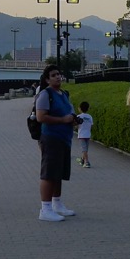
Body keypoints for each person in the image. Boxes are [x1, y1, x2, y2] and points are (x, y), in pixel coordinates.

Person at [36, 65, 81, 221]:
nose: (57, 77)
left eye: (59, 74)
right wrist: (62, 120)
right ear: (47, 79)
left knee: (59, 172)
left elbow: (69, 113)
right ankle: (45, 209)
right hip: (51, 137)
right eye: (53, 75)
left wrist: (73, 120)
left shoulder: (64, 94)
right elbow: (40, 117)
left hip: (64, 138)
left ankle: (57, 203)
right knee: (49, 173)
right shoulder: (45, 94)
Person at [75, 101, 94, 168]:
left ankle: (87, 162)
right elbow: (91, 125)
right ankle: (82, 160)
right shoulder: (90, 116)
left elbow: (76, 125)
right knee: (85, 149)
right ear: (88, 108)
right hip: (88, 135)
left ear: (80, 108)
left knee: (84, 149)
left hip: (81, 135)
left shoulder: (78, 116)